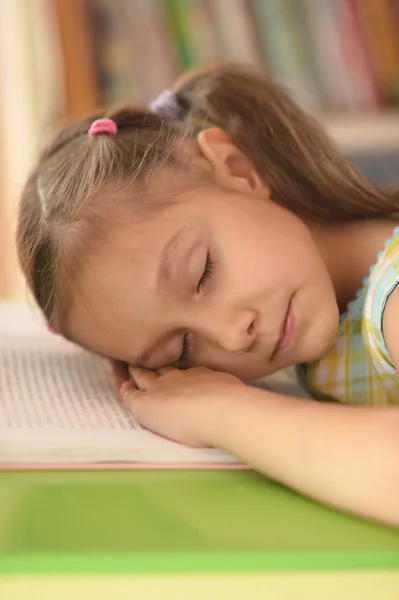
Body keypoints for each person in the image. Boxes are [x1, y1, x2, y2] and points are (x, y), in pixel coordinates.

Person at [17, 65, 399, 527]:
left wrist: (223, 412)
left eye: (203, 273)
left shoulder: (391, 291)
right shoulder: (334, 329)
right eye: (181, 351)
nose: (233, 336)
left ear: (237, 169)